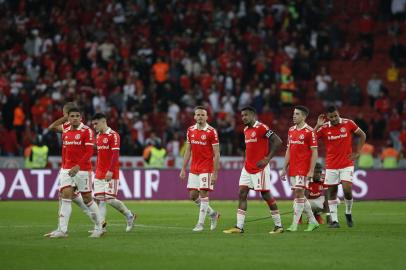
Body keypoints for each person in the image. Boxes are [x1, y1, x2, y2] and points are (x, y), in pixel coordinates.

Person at [223, 106, 284, 234]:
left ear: (253, 115)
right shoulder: (246, 130)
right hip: (247, 167)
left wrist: (267, 159)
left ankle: (279, 226)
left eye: (246, 115)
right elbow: (249, 148)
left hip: (259, 168)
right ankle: (239, 227)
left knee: (265, 195)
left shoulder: (262, 127)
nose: (243, 117)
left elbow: (278, 141)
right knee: (242, 193)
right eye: (242, 115)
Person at [45, 107, 104, 238]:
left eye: (78, 115)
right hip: (66, 169)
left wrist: (78, 166)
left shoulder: (86, 131)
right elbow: (52, 127)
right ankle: (62, 230)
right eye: (72, 116)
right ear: (68, 118)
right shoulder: (65, 129)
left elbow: (89, 151)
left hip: (82, 170)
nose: (75, 118)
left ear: (81, 118)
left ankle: (99, 227)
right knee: (65, 196)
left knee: (88, 198)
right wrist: (64, 118)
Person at [314, 106, 366, 228]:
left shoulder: (349, 123)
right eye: (331, 117)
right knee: (332, 192)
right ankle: (335, 221)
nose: (334, 119)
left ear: (339, 114)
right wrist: (317, 126)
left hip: (346, 164)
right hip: (331, 165)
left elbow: (363, 135)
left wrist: (358, 152)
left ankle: (348, 212)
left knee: (347, 189)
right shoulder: (324, 128)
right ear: (328, 117)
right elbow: (310, 138)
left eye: (335, 116)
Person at [91, 113, 136, 232]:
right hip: (99, 172)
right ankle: (101, 226)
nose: (94, 126)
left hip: (111, 172)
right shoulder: (98, 136)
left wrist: (110, 170)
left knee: (110, 199)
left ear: (103, 121)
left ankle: (129, 215)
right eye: (93, 124)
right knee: (99, 199)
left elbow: (115, 155)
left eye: (96, 123)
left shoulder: (114, 135)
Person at [180, 106, 221, 232]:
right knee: (193, 195)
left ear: (207, 117)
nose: (200, 117)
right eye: (197, 115)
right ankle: (213, 214)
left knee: (203, 194)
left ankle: (200, 224)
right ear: (194, 116)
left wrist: (215, 173)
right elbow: (188, 150)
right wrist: (183, 168)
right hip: (194, 168)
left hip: (207, 168)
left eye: (202, 115)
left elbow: (217, 154)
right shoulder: (190, 130)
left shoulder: (211, 131)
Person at [281, 105, 320, 232]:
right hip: (293, 168)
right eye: (294, 113)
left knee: (299, 193)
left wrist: (311, 170)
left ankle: (294, 224)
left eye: (297, 114)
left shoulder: (309, 131)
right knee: (300, 195)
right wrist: (284, 168)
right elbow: (288, 150)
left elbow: (314, 152)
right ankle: (313, 221)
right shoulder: (291, 130)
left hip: (303, 168)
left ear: (304, 116)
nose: (294, 116)